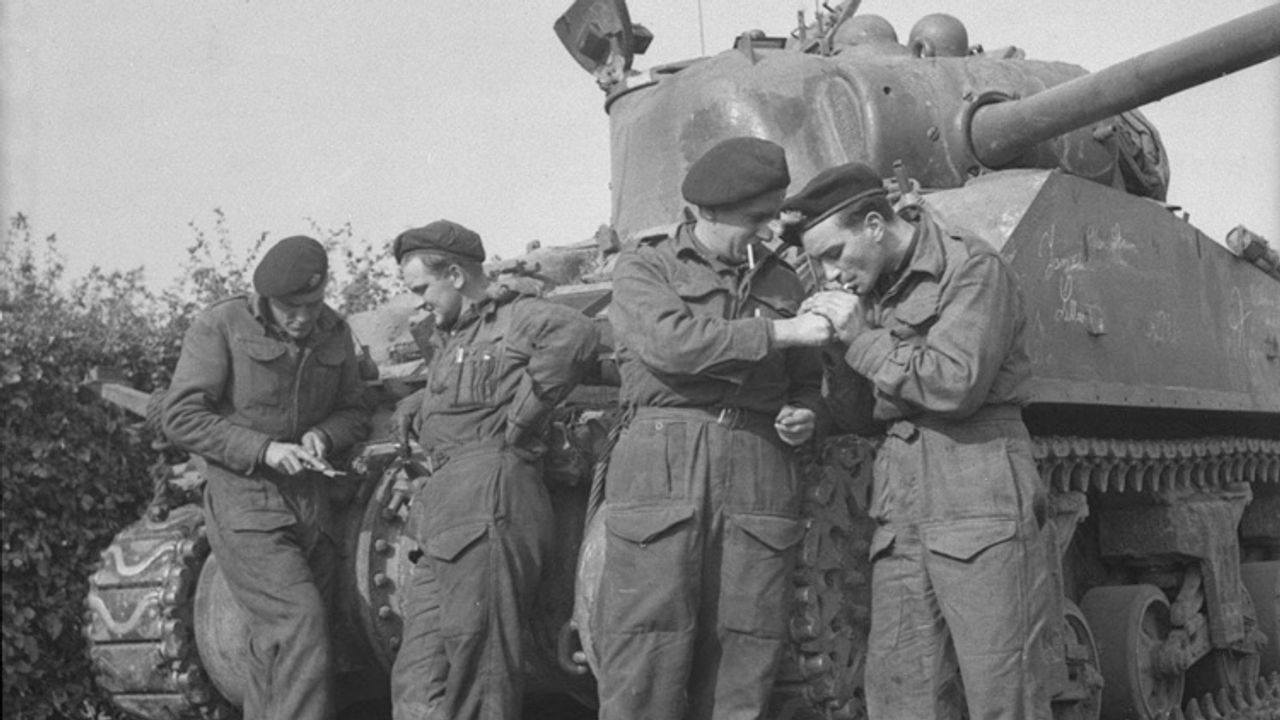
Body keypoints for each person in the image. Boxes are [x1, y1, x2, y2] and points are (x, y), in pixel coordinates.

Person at [780, 162, 1054, 720]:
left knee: (1002, 690)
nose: (829, 273)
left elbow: (956, 385)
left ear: (876, 225)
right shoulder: (871, 289)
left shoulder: (971, 269)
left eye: (834, 254)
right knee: (900, 693)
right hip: (901, 504)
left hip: (978, 491)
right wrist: (835, 349)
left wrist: (861, 338)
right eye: (817, 262)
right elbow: (859, 417)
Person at [591, 137, 833, 720]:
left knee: (745, 653)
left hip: (758, 463)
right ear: (704, 212)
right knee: (645, 648)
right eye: (754, 219)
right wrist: (778, 334)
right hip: (663, 458)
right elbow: (670, 345)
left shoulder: (782, 281)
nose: (767, 231)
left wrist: (807, 415)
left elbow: (808, 379)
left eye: (773, 216)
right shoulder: (646, 267)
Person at [387, 220, 598, 720]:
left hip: (489, 496)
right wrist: (422, 399)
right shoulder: (456, 334)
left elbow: (577, 334)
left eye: (422, 289)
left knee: (478, 669)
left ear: (456, 276)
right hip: (444, 508)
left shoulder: (515, 317)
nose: (419, 302)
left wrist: (525, 415)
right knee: (417, 677)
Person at [162, 235, 370, 720]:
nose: (303, 317)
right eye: (290, 308)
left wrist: (324, 434)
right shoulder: (222, 324)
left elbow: (355, 410)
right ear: (266, 299)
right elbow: (182, 417)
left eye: (312, 304)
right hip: (246, 503)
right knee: (300, 623)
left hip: (311, 508)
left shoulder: (334, 329)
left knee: (276, 648)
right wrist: (264, 449)